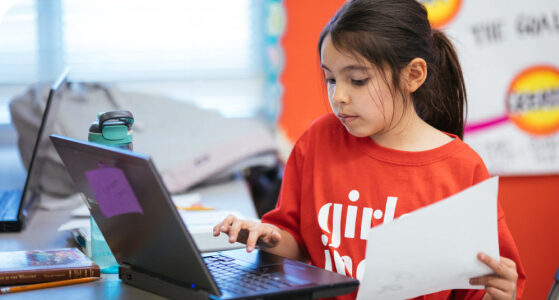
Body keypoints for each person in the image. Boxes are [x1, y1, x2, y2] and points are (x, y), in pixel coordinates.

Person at [213, 0, 526, 299]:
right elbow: (295, 242)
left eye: (358, 80)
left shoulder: (461, 168)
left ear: (413, 75)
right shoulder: (318, 140)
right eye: (331, 79)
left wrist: (502, 294)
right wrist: (265, 236)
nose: (339, 97)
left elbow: (480, 286)